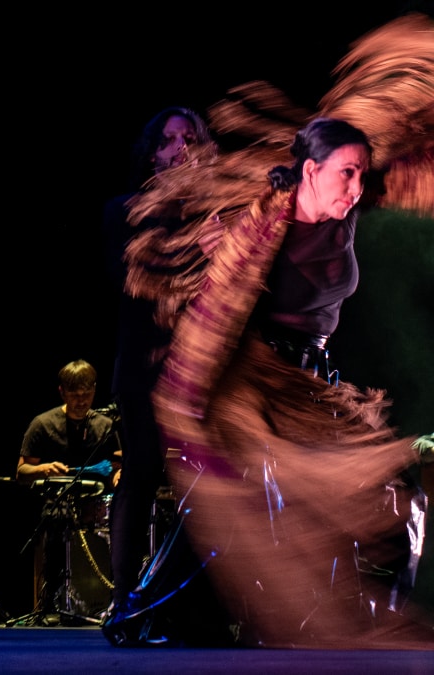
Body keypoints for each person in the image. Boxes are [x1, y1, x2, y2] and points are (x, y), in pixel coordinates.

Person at [103, 13, 434, 650]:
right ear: (309, 173)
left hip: (315, 381)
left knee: (403, 493)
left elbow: (398, 146)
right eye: (346, 174)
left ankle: (380, 622)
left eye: (362, 173)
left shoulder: (345, 200)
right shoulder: (261, 228)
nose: (357, 187)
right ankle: (138, 611)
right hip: (259, 388)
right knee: (236, 510)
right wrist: (192, 417)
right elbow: (211, 325)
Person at [101, 106, 216, 622]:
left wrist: (225, 255)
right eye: (171, 140)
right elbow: (133, 279)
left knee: (206, 483)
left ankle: (191, 599)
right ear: (154, 153)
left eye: (191, 138)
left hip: (199, 368)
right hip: (145, 364)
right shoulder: (125, 210)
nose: (182, 148)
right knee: (142, 471)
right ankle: (123, 596)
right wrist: (197, 247)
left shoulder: (215, 216)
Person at [16, 359, 122, 623]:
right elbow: (21, 472)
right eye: (75, 395)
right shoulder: (42, 424)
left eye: (87, 394)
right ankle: (52, 599)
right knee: (56, 516)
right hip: (57, 504)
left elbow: (119, 465)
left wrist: (121, 476)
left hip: (100, 503)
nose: (82, 401)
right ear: (62, 392)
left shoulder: (106, 425)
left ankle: (118, 598)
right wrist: (44, 469)